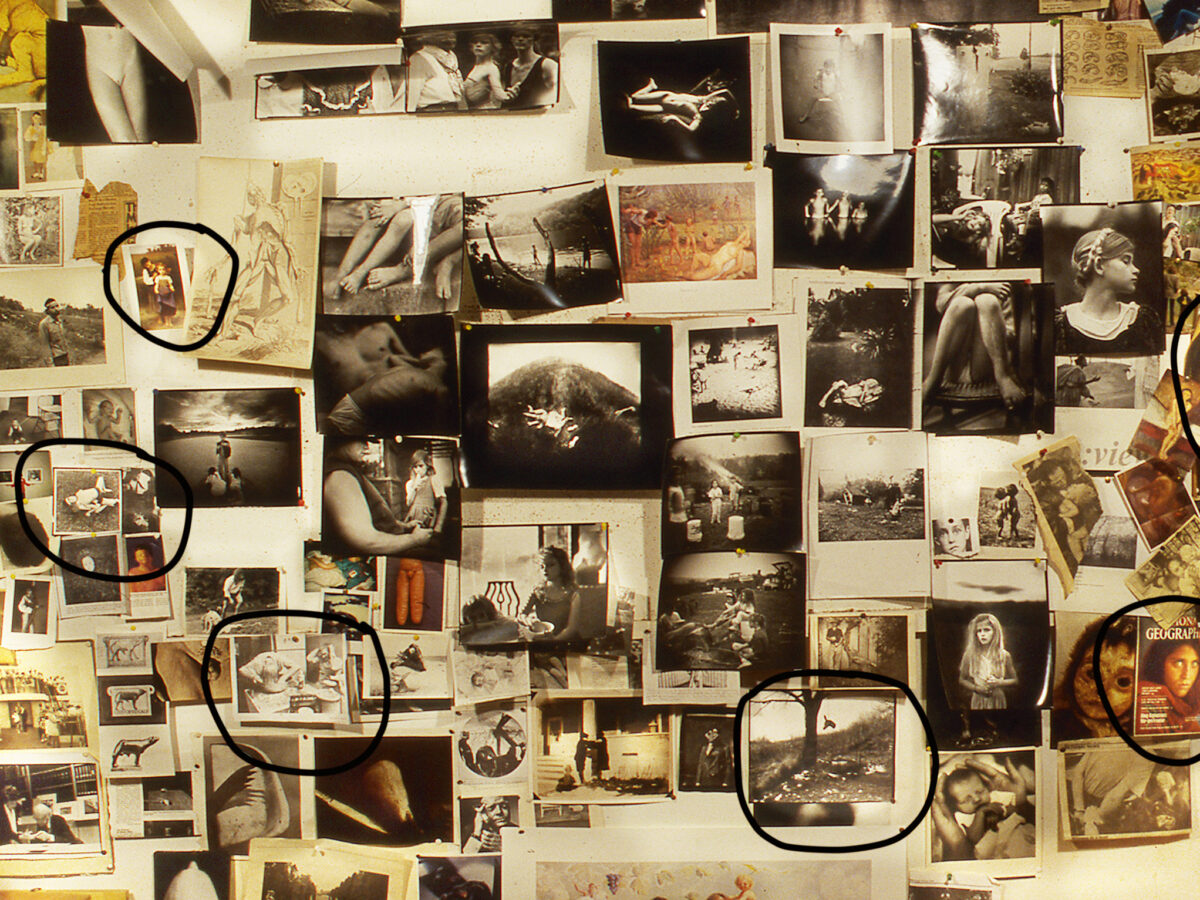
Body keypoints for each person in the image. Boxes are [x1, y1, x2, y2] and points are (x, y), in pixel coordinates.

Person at [315, 319, 453, 435]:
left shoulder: (382, 329)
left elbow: (413, 363)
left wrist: (421, 363)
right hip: (355, 405)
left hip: (392, 409)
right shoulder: (320, 340)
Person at [922, 281, 1026, 412]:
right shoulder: (955, 278)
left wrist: (987, 324)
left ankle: (1003, 377)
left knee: (987, 301)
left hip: (985, 367)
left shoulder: (999, 283)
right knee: (962, 304)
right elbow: (941, 304)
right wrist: (979, 287)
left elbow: (1010, 335)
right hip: (955, 368)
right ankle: (934, 378)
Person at [322, 437, 435, 557]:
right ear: (336, 439)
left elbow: (375, 519)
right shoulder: (340, 476)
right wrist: (414, 539)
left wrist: (404, 526)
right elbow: (367, 541)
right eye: (361, 439)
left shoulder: (351, 472)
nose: (366, 447)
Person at [1055, 227, 1162, 354]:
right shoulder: (1061, 325)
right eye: (1126, 261)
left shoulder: (1144, 321)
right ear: (1099, 265)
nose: (1136, 270)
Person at [932, 756, 1036, 861]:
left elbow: (1016, 811)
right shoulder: (963, 817)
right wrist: (980, 814)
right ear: (955, 806)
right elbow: (974, 838)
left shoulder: (996, 797)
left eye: (980, 792)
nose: (976, 799)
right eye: (966, 800)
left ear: (987, 787)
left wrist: (1007, 809)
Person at [517, 546, 582, 641]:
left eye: (551, 565)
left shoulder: (573, 593)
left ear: (562, 566)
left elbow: (572, 629)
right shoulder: (538, 591)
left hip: (566, 641)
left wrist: (553, 640)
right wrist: (529, 621)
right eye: (542, 566)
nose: (545, 570)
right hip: (543, 639)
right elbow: (521, 615)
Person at [1137, 637, 1200, 733]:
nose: (1187, 675)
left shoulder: (1194, 702)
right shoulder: (1146, 698)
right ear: (1160, 664)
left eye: (1194, 664)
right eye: (1179, 663)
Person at [625, 77, 735, 131]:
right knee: (634, 97)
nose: (706, 107)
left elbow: (691, 129)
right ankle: (651, 86)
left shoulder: (699, 116)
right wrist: (736, 108)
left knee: (631, 107)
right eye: (709, 103)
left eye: (710, 108)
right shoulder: (703, 99)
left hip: (662, 107)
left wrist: (675, 119)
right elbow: (725, 91)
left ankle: (651, 87)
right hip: (666, 95)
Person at [959, 613, 1017, 709]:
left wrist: (999, 682)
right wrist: (976, 688)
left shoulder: (1004, 655)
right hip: (978, 698)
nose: (982, 634)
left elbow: (1015, 680)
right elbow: (962, 679)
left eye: (986, 630)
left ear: (995, 632)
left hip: (997, 699)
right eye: (979, 631)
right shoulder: (969, 655)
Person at [406, 30, 466, 112]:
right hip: (432, 110)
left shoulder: (451, 57)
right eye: (442, 35)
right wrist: (410, 112)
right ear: (429, 38)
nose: (450, 38)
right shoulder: (419, 57)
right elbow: (414, 88)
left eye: (452, 35)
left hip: (453, 107)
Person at [502, 25, 558, 109]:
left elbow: (556, 95)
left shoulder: (547, 65)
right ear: (512, 40)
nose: (520, 39)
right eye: (517, 36)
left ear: (534, 40)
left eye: (526, 36)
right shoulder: (508, 66)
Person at [463, 32, 506, 110]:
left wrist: (510, 95)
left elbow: (499, 95)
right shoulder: (472, 67)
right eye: (475, 42)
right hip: (471, 110)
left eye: (484, 42)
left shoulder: (491, 68)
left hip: (485, 109)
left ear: (493, 47)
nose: (478, 45)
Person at [38, 298, 69, 367]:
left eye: (57, 306)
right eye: (52, 307)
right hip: (56, 358)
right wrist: (50, 363)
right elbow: (45, 345)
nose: (56, 309)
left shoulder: (59, 321)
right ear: (48, 311)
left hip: (64, 355)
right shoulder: (44, 324)